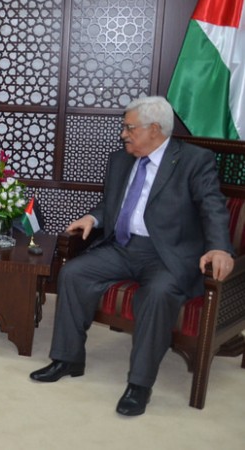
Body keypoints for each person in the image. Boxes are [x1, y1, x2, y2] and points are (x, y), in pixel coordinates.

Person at [29, 96, 235, 416]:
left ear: (154, 129)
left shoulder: (194, 160)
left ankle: (139, 384)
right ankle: (67, 359)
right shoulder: (121, 159)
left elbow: (213, 207)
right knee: (73, 273)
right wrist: (93, 218)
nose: (123, 134)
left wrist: (220, 247)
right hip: (123, 247)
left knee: (157, 294)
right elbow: (113, 204)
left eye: (129, 127)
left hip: (167, 254)